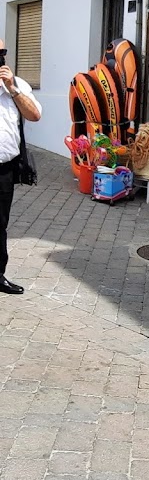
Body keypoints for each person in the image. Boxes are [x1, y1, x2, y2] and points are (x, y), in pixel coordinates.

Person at [0, 40, 42, 295]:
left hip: (3, 169)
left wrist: (12, 89)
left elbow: (35, 115)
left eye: (2, 52)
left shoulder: (17, 86)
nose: (0, 57)